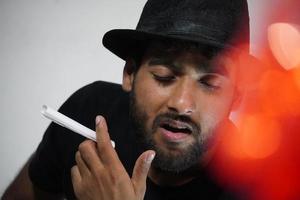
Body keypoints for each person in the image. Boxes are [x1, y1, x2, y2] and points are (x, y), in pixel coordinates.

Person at [2, 0, 253, 199]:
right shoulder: (88, 110)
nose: (182, 103)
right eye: (164, 76)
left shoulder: (260, 189)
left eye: (210, 83)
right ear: (130, 73)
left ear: (237, 96)